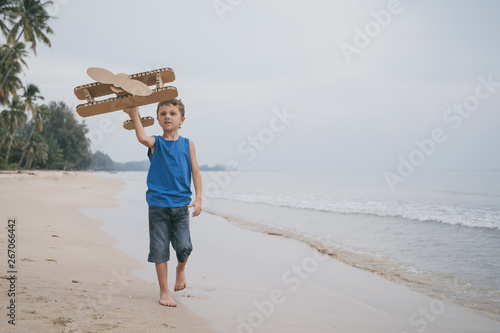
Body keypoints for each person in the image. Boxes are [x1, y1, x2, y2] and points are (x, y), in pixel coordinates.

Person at [123, 99, 202, 307]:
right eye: (163, 113)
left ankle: (181, 269)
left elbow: (195, 172)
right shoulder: (155, 142)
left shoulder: (188, 144)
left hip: (182, 205)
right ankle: (164, 291)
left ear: (181, 119)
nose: (168, 116)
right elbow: (141, 137)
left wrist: (199, 198)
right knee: (159, 249)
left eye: (172, 113)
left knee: (184, 246)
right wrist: (134, 113)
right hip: (158, 205)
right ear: (158, 119)